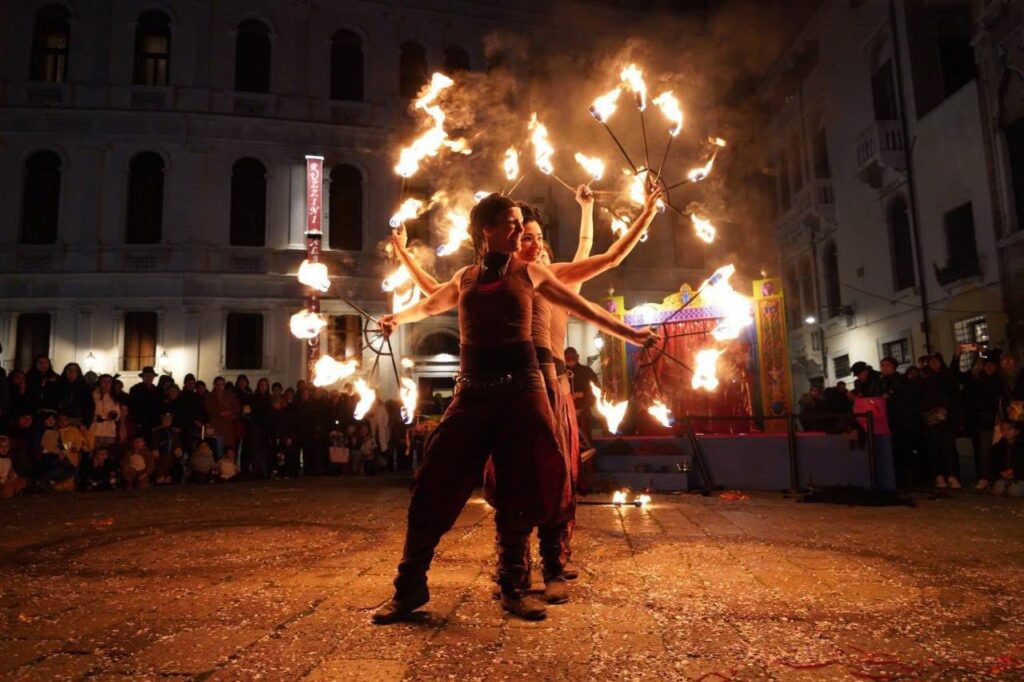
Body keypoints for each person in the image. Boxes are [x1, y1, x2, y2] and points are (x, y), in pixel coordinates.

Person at [372, 194, 657, 624]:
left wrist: (632, 334)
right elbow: (431, 303)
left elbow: (586, 308)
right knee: (434, 482)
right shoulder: (465, 278)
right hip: (471, 394)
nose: (517, 230)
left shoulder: (532, 273)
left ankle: (514, 585)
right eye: (509, 223)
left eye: (520, 222)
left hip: (523, 391)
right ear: (486, 229)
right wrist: (397, 318)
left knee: (523, 486)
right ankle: (409, 587)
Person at [204, 376, 241, 450]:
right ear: (214, 385)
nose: (220, 386)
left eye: (222, 384)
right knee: (216, 447)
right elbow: (209, 409)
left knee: (228, 447)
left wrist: (230, 412)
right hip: (215, 424)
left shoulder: (230, 395)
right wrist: (219, 413)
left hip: (227, 425)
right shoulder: (209, 396)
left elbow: (237, 407)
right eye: (218, 384)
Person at [991, 421, 1024, 497]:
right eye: (1003, 429)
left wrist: (1014, 471)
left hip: (1020, 477)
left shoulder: (1021, 446)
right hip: (1003, 477)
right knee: (998, 489)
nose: (1006, 432)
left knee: (1015, 491)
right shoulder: (998, 446)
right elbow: (994, 463)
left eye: (1009, 429)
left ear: (1017, 431)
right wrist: (1001, 472)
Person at [128, 367, 163, 440]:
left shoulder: (158, 391)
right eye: (146, 376)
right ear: (142, 377)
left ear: (153, 377)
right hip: (140, 422)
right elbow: (132, 406)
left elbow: (159, 407)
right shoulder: (135, 389)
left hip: (154, 423)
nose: (148, 378)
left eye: (150, 376)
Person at [90, 374, 122, 452]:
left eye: (109, 382)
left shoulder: (113, 397)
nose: (106, 384)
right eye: (104, 382)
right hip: (95, 430)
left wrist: (114, 415)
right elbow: (88, 411)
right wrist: (95, 417)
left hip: (108, 431)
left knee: (106, 453)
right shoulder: (93, 396)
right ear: (100, 383)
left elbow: (118, 414)